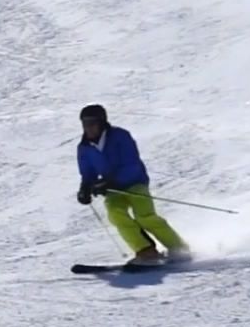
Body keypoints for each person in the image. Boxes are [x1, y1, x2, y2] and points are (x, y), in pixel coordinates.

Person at [75, 104, 191, 266]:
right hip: (113, 190)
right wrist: (85, 188)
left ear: (101, 122)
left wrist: (110, 181)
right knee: (115, 214)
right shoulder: (84, 148)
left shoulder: (120, 136)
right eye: (85, 123)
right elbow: (87, 173)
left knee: (144, 216)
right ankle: (146, 251)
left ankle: (178, 248)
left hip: (135, 182)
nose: (88, 127)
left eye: (92, 123)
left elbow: (131, 163)